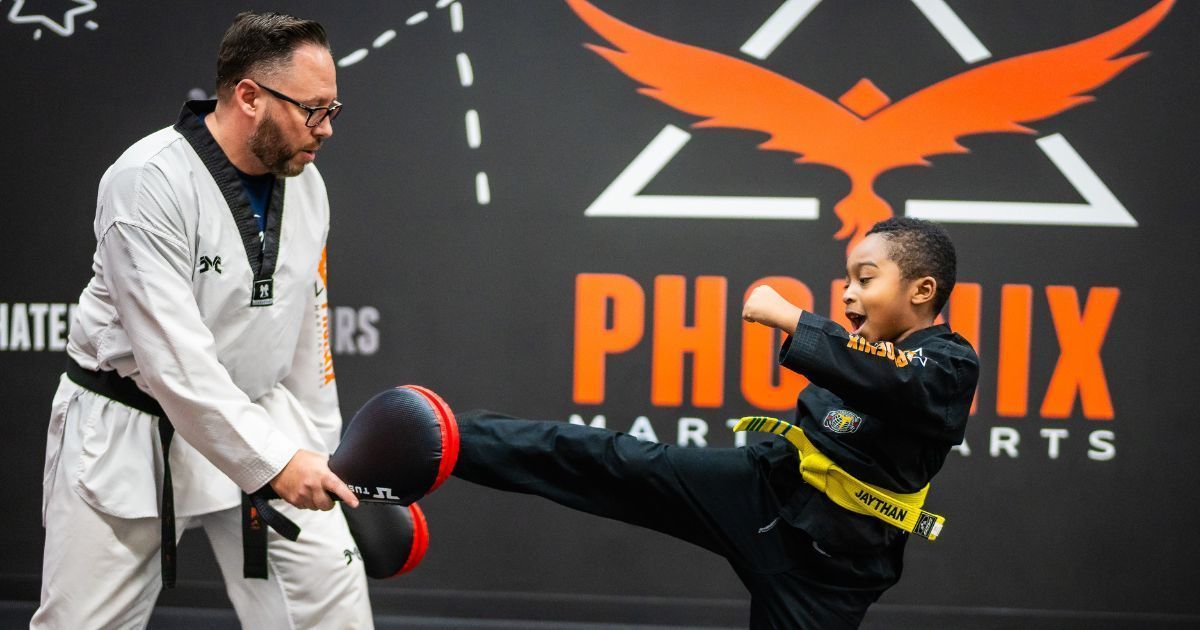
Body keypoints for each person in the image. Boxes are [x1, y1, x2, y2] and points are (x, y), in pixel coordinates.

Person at [452, 217, 980, 629]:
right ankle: (451, 437)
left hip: (834, 568)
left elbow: (895, 380)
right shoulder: (863, 352)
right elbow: (864, 367)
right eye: (846, 279)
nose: (846, 293)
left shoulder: (950, 364)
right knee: (611, 459)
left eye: (865, 279)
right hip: (763, 493)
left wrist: (791, 317)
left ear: (922, 290)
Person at [33, 12, 373, 629]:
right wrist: (273, 463)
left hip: (263, 414)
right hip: (136, 429)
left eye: (333, 109)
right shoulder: (148, 182)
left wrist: (325, 453)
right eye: (312, 110)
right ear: (249, 96)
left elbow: (305, 327)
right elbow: (175, 367)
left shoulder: (309, 184)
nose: (325, 129)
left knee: (332, 614)